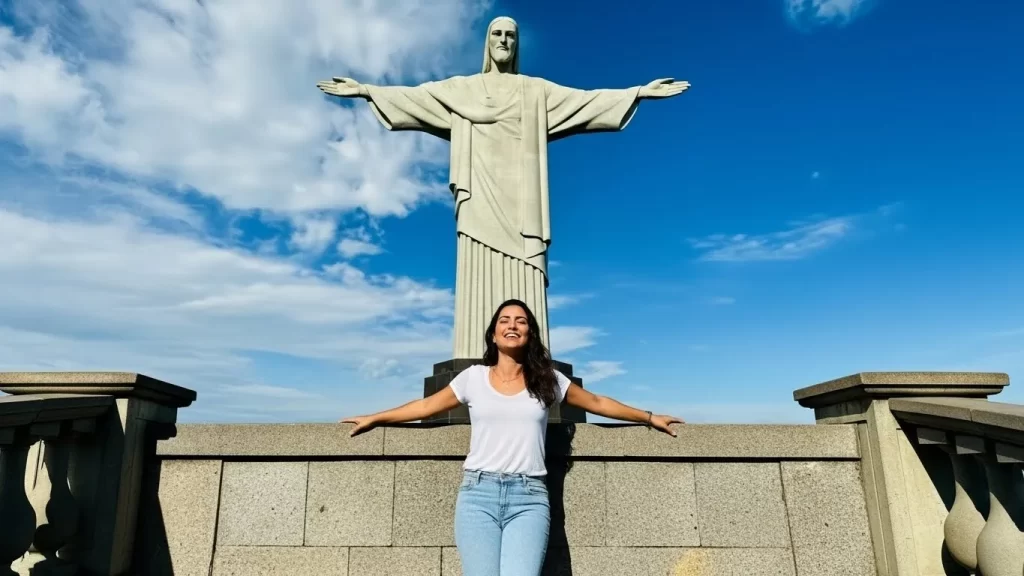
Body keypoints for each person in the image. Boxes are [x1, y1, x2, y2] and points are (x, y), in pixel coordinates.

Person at [316, 16, 689, 361]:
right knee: (477, 268)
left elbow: (586, 100)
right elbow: (415, 97)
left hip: (523, 201)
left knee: (526, 269)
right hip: (478, 192)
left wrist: (637, 92)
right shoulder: (461, 89)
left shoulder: (535, 91)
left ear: (517, 43)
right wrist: (366, 90)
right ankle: (473, 351)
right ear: (487, 41)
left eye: (511, 35)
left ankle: (530, 356)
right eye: (497, 34)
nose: (504, 40)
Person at [342, 299, 683, 576]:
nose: (512, 325)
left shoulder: (548, 379)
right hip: (478, 495)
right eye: (504, 320)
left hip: (529, 498)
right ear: (493, 334)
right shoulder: (473, 378)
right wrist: (375, 417)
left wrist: (649, 417)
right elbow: (426, 407)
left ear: (530, 333)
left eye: (521, 321)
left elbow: (596, 402)